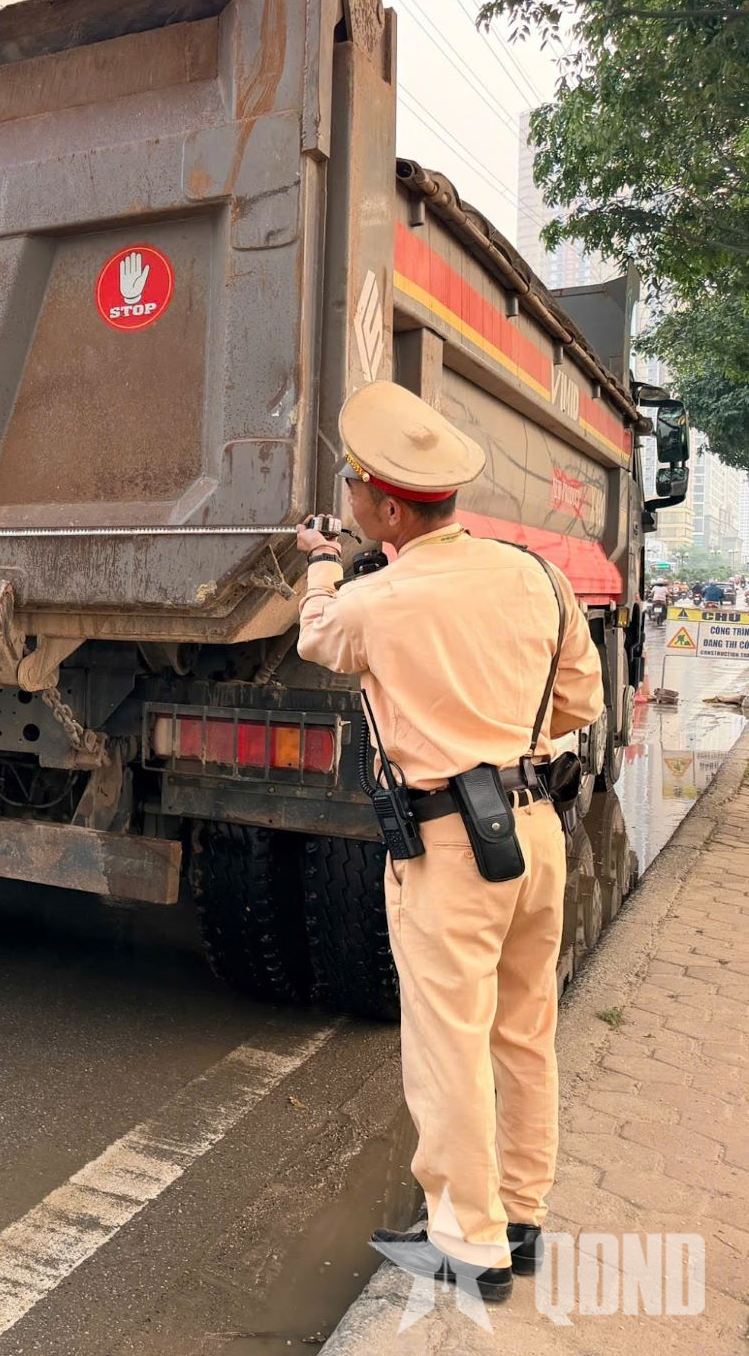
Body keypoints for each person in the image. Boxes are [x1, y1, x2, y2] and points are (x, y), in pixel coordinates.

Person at [296, 381, 604, 1302]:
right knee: (524, 1031)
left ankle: (468, 1245)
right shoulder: (537, 577)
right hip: (537, 831)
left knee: (449, 1045)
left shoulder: (378, 599)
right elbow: (580, 701)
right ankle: (520, 1213)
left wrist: (323, 561)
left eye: (356, 485)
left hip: (452, 851)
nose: (350, 494)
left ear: (388, 507)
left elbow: (319, 636)